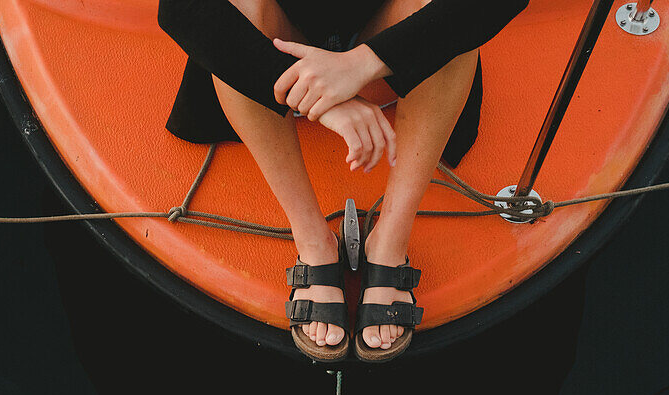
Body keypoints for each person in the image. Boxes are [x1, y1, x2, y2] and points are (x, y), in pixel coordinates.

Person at [159, 0, 528, 361]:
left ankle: (389, 242)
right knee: (235, 10)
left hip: (385, 54)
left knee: (453, 15)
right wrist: (319, 97)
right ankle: (314, 241)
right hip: (279, 54)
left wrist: (360, 64)